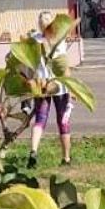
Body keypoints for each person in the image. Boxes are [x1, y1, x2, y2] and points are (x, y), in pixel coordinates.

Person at [27, 10, 72, 169]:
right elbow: (64, 65)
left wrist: (30, 82)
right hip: (59, 85)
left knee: (40, 119)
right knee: (63, 121)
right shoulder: (59, 40)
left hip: (41, 85)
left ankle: (33, 151)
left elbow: (28, 65)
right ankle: (66, 158)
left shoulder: (33, 40)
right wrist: (72, 89)